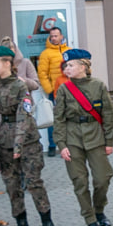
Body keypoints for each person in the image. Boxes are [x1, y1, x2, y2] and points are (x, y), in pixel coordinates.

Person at [0, 45, 54, 226]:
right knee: (12, 184)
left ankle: (47, 222)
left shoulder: (20, 86)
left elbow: (23, 116)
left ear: (8, 63)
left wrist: (18, 145)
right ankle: (22, 224)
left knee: (33, 182)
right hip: (5, 141)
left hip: (27, 141)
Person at [53, 49, 113, 226]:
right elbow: (59, 119)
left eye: (71, 65)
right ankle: (90, 220)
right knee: (80, 182)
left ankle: (99, 210)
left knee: (102, 178)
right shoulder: (64, 88)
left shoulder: (98, 85)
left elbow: (109, 114)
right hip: (72, 139)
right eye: (66, 66)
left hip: (96, 137)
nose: (67, 69)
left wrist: (109, 140)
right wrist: (61, 144)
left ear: (83, 66)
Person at [37, 27, 70, 156]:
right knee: (53, 119)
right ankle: (52, 145)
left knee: (68, 117)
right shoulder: (46, 54)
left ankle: (68, 145)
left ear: (61, 36)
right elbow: (42, 73)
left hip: (70, 89)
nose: (54, 38)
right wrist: (49, 89)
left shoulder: (69, 51)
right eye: (52, 36)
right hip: (54, 91)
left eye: (56, 36)